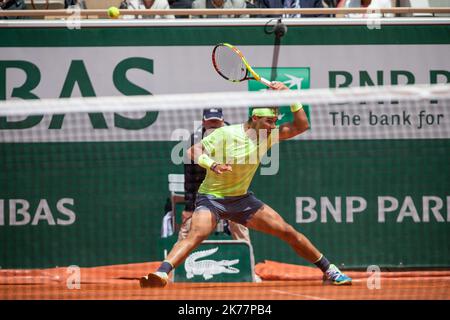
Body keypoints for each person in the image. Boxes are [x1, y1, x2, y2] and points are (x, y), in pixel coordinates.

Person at [140, 81, 352, 288]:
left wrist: (291, 96)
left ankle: (329, 270)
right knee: (197, 235)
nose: (274, 126)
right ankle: (161, 273)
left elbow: (302, 125)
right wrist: (212, 165)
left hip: (242, 200)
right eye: (270, 121)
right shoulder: (225, 133)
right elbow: (192, 152)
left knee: (287, 231)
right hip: (212, 199)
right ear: (256, 117)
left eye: (275, 121)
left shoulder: (267, 135)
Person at [177, 108, 252, 244]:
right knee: (188, 226)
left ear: (222, 121)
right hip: (205, 191)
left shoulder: (236, 136)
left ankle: (248, 264)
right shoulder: (195, 140)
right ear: (203, 122)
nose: (213, 125)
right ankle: (177, 263)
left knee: (240, 226)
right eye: (210, 122)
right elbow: (191, 178)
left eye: (216, 122)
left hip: (232, 190)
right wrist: (189, 208)